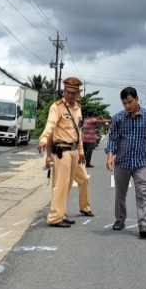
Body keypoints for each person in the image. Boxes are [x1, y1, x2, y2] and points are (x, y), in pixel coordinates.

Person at [105, 87, 146, 239]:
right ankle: (120, 220)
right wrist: (110, 156)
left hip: (141, 162)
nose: (127, 106)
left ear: (137, 98)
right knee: (120, 194)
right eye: (124, 103)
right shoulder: (118, 118)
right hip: (122, 162)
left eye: (130, 102)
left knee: (142, 192)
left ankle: (143, 224)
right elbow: (113, 139)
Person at [37, 77, 85, 228]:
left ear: (78, 93)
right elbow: (50, 125)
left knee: (68, 186)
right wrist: (44, 139)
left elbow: (79, 131)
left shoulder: (77, 109)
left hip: (74, 151)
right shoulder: (56, 107)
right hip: (62, 151)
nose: (70, 95)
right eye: (68, 92)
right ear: (64, 91)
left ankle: (62, 213)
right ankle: (55, 218)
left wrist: (81, 151)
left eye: (73, 92)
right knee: (60, 186)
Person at [45, 134, 94, 217]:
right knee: (59, 183)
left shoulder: (76, 120)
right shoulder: (57, 120)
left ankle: (85, 207)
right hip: (60, 152)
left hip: (74, 152)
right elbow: (50, 135)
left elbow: (78, 134)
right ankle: (58, 211)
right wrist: (48, 156)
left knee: (84, 178)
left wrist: (80, 151)